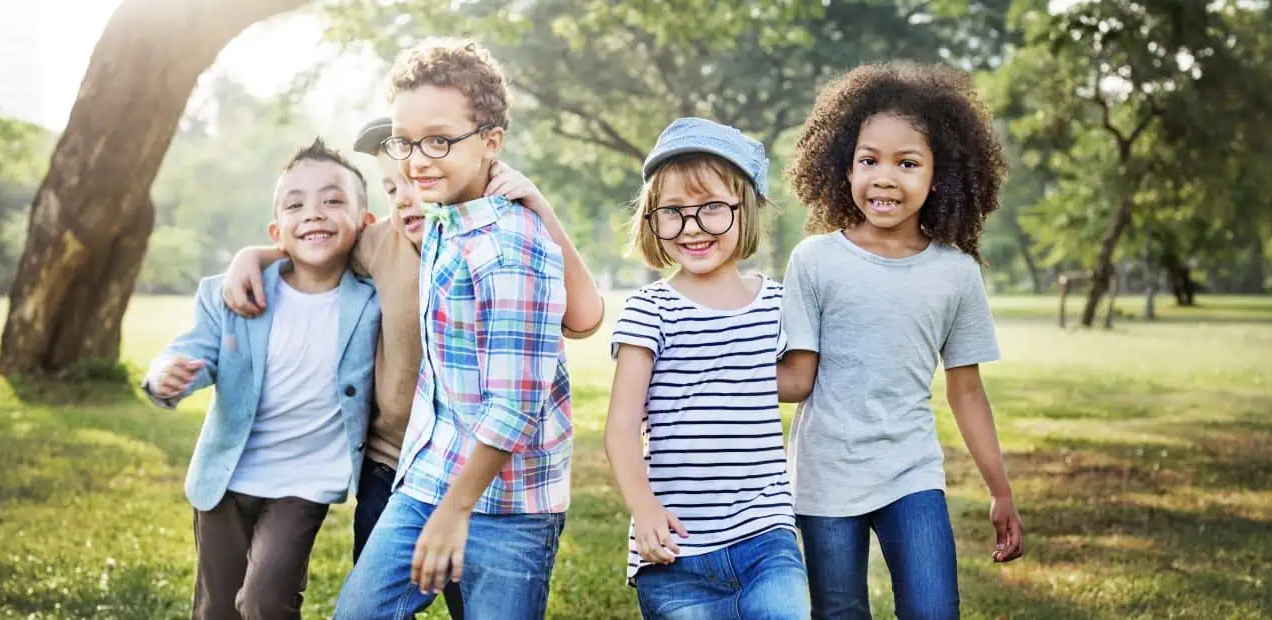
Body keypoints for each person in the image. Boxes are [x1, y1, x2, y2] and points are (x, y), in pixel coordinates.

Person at [329, 37, 575, 620]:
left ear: (490, 141)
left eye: (439, 140)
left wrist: (455, 510)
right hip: (428, 475)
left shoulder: (511, 244)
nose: (416, 161)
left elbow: (515, 403)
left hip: (509, 505)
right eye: (405, 142)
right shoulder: (442, 221)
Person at [778, 62, 1027, 619]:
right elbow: (797, 377)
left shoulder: (955, 273)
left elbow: (966, 390)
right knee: (840, 613)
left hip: (911, 472)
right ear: (844, 168)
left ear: (940, 176)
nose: (884, 177)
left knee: (934, 609)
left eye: (907, 163)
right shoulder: (814, 261)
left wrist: (1000, 490)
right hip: (825, 476)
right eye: (868, 160)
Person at [142, 139, 381, 620]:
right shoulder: (231, 292)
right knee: (217, 609)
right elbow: (194, 350)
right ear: (278, 231)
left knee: (264, 600)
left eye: (333, 201)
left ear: (366, 223)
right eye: (295, 205)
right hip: (228, 476)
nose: (313, 213)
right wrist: (165, 377)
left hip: (305, 481)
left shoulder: (375, 300)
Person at [604, 117, 810, 619]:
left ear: (746, 209)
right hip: (676, 548)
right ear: (651, 220)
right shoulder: (650, 310)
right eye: (672, 213)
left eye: (712, 209)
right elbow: (622, 425)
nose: (692, 227)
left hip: (765, 533)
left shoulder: (780, 304)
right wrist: (643, 507)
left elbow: (797, 382)